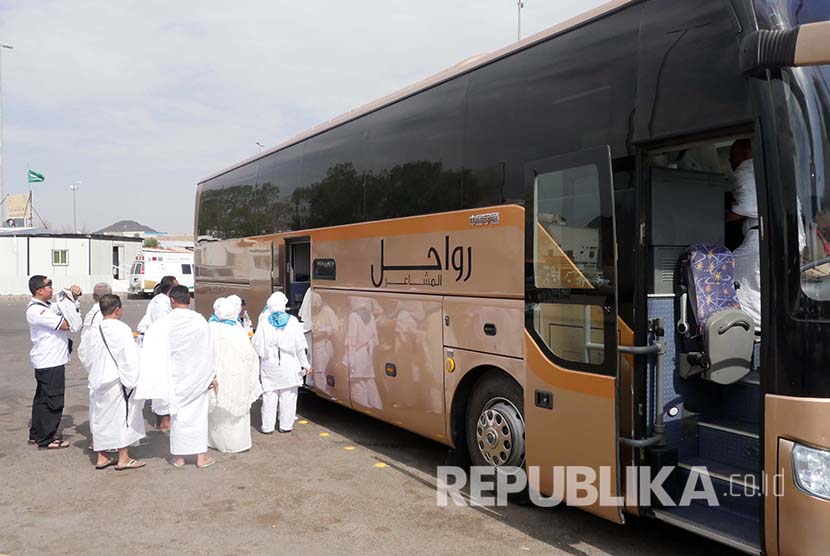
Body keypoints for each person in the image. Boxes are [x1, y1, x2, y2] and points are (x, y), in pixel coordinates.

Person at [137, 285, 217, 468]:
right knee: (198, 418)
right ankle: (200, 457)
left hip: (175, 377)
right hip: (198, 376)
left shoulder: (165, 322)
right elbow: (210, 349)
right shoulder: (199, 321)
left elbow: (151, 344)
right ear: (189, 300)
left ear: (172, 301)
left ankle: (180, 458)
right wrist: (212, 374)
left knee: (178, 418)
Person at [78, 294, 146, 470]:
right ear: (117, 309)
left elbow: (84, 354)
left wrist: (94, 370)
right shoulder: (121, 329)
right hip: (116, 380)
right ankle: (123, 457)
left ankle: (102, 456)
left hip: (98, 380)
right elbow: (128, 357)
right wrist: (132, 380)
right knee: (121, 418)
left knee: (100, 417)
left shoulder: (94, 330)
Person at [25, 275, 80, 449]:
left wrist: (73, 297)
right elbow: (66, 324)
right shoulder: (37, 310)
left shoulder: (46, 306)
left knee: (42, 399)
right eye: (48, 286)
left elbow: (64, 306)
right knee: (53, 400)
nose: (52, 289)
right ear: (39, 290)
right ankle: (47, 439)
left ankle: (37, 434)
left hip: (49, 360)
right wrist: (69, 312)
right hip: (50, 361)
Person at [207, 297, 262, 453]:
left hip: (217, 375)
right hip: (237, 376)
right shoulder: (236, 329)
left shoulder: (210, 327)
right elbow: (249, 355)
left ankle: (215, 441)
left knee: (218, 409)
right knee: (236, 413)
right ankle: (237, 443)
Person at [252, 292, 310, 434]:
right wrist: (306, 365)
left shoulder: (265, 322)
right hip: (289, 363)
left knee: (269, 395)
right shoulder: (293, 322)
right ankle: (285, 425)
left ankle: (267, 427)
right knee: (288, 395)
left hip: (269, 363)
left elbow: (257, 345)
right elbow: (300, 346)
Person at [726, 139, 762, 328]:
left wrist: (717, 219)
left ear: (747, 152)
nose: (730, 160)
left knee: (723, 271)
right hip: (792, 237)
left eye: (732, 155)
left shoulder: (745, 169)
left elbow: (747, 206)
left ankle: (750, 325)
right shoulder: (767, 169)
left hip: (758, 240)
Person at [137, 274, 178, 430]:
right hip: (161, 347)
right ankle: (164, 422)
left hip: (157, 344)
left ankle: (161, 420)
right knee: (164, 384)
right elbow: (165, 326)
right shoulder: (161, 303)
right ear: (171, 288)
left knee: (161, 384)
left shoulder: (159, 300)